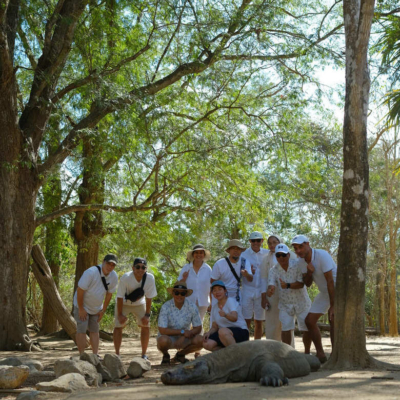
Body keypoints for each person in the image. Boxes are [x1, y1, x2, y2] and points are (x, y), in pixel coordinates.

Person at [291, 235, 337, 363]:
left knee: (333, 319)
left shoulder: (322, 255)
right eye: (295, 248)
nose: (298, 250)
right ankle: (320, 354)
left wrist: (333, 305)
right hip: (324, 292)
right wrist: (310, 272)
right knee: (309, 321)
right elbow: (308, 283)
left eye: (300, 246)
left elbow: (330, 280)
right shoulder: (300, 261)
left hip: (336, 289)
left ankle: (334, 355)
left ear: (307, 244)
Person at [73, 254, 118, 357]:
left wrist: (103, 310)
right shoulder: (91, 272)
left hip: (96, 308)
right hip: (82, 305)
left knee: (95, 330)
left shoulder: (113, 276)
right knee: (82, 329)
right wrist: (81, 308)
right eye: (108, 264)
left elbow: (109, 294)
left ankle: (95, 355)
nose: (110, 267)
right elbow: (80, 290)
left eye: (113, 265)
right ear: (103, 262)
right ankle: (82, 355)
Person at [267, 244, 311, 347]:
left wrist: (287, 285)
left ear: (288, 255)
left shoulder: (297, 265)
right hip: (285, 304)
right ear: (276, 257)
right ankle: (288, 354)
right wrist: (270, 290)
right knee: (286, 329)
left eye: (283, 255)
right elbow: (271, 284)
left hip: (302, 302)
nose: (281, 258)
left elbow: (301, 284)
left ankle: (307, 353)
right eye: (278, 255)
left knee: (305, 328)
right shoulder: (273, 270)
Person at [113, 257, 157, 360]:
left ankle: (144, 354)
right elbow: (119, 297)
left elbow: (149, 298)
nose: (140, 270)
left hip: (140, 303)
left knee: (146, 326)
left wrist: (147, 315)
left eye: (143, 267)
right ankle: (117, 354)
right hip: (123, 302)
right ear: (133, 268)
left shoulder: (150, 278)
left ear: (146, 269)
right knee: (118, 326)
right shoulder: (126, 277)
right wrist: (119, 315)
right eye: (138, 267)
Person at [157, 281, 203, 365]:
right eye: (177, 292)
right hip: (169, 338)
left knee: (201, 340)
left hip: (186, 337)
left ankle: (181, 354)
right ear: (173, 293)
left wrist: (185, 335)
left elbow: (198, 328)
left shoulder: (192, 306)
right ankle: (165, 355)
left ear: (186, 294)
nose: (179, 295)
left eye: (182, 293)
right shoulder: (165, 306)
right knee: (162, 340)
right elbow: (162, 330)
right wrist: (182, 332)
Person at [178, 244, 212, 357]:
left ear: (204, 255)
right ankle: (181, 350)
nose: (199, 255)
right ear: (193, 255)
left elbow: (211, 286)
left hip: (203, 301)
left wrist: (212, 302)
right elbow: (178, 285)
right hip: (188, 301)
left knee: (199, 324)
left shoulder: (208, 269)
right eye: (196, 253)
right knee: (185, 324)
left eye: (201, 253)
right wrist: (183, 278)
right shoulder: (186, 268)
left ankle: (198, 350)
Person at [203, 281, 249, 351]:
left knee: (222, 331)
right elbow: (215, 327)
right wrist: (208, 333)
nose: (217, 292)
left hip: (240, 331)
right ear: (212, 293)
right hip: (224, 335)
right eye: (214, 290)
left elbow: (234, 318)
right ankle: (228, 353)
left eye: (219, 289)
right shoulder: (215, 307)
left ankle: (237, 355)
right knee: (206, 343)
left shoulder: (230, 301)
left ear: (225, 291)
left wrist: (225, 315)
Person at [241, 231, 268, 339]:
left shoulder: (267, 254)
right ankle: (246, 345)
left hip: (261, 291)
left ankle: (257, 345)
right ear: (249, 241)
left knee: (259, 320)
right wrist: (247, 273)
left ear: (262, 241)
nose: (256, 243)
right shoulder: (243, 255)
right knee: (246, 319)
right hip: (247, 289)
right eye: (253, 240)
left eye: (258, 240)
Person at [210, 239, 253, 304]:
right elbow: (212, 281)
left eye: (238, 249)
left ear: (241, 251)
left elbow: (250, 279)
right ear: (229, 251)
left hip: (236, 297)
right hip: (221, 296)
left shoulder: (245, 262)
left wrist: (247, 274)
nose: (236, 250)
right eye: (233, 248)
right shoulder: (219, 264)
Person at [260, 234, 282, 341]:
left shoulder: (290, 255)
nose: (272, 245)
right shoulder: (266, 259)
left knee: (286, 323)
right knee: (272, 323)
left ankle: (288, 350)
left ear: (280, 242)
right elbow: (263, 278)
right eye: (269, 243)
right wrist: (264, 297)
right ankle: (272, 349)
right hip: (271, 294)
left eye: (275, 242)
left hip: (287, 294)